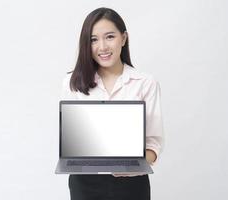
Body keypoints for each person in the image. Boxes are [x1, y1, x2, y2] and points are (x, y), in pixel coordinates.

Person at [61, 7, 164, 200]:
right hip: (85, 184)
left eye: (110, 37)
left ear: (123, 38)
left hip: (132, 183)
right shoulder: (72, 82)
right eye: (93, 39)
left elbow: (153, 145)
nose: (102, 47)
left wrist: (132, 166)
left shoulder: (145, 83)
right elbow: (71, 139)